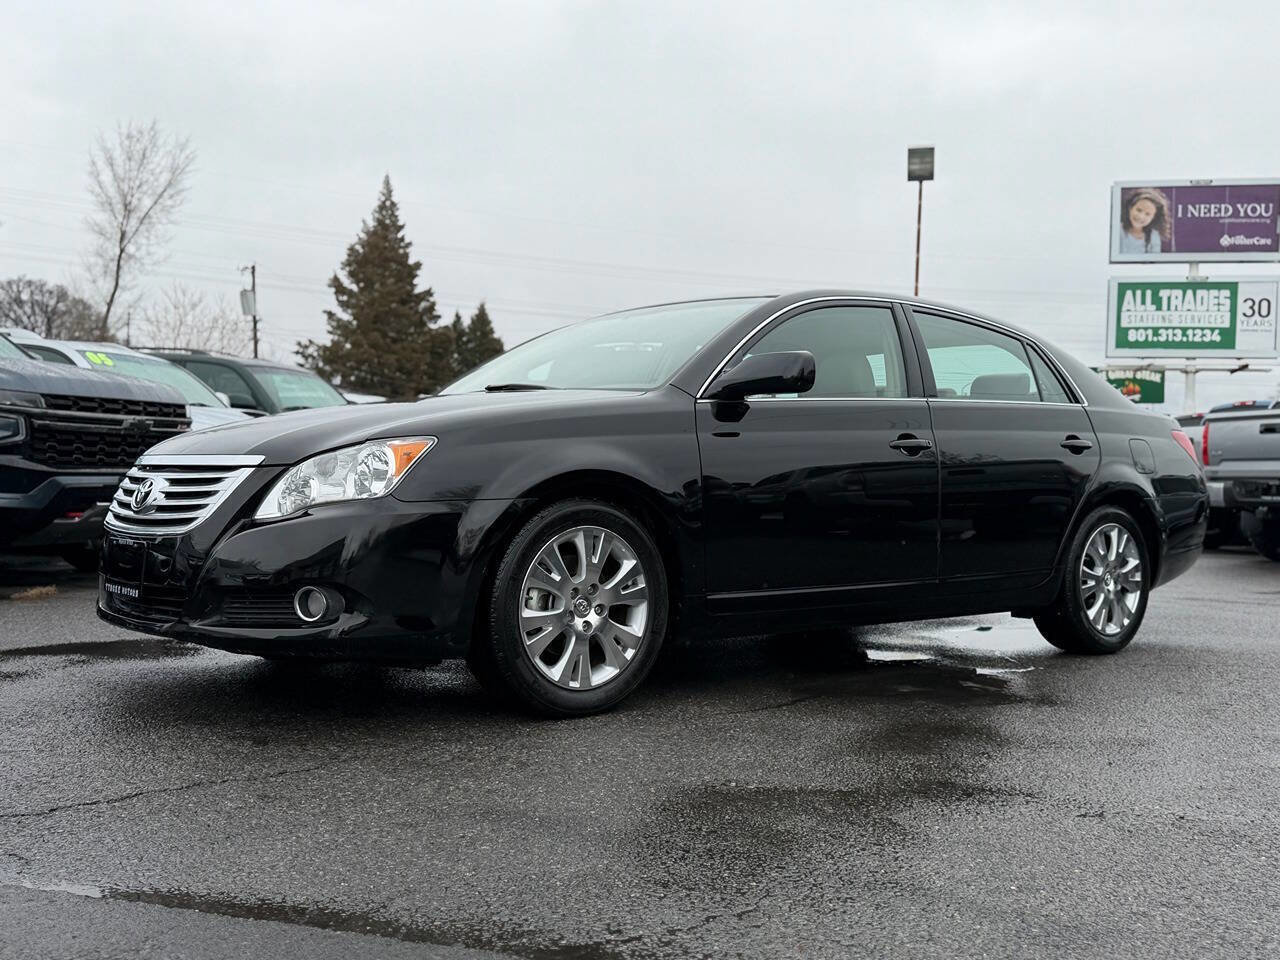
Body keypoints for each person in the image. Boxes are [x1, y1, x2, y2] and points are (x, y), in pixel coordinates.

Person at [1118, 188, 1171, 255]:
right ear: (1130, 208)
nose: (1141, 216)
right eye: (1139, 210)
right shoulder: (1118, 230)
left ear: (1153, 218)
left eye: (1147, 214)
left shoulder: (1153, 236)